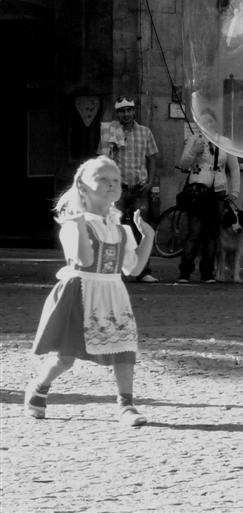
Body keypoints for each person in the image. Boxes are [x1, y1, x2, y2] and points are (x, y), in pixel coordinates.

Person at [23, 156, 154, 426]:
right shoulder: (73, 224)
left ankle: (126, 405)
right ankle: (39, 387)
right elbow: (83, 259)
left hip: (113, 292)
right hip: (81, 290)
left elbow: (134, 268)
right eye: (102, 179)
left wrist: (148, 238)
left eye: (115, 180)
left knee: (123, 349)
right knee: (65, 357)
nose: (111, 184)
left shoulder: (121, 229)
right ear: (83, 187)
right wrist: (81, 226)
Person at [97, 96, 160, 283]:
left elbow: (153, 157)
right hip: (118, 187)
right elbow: (102, 159)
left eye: (129, 110)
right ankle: (113, 268)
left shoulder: (145, 131)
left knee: (141, 228)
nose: (126, 114)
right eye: (122, 111)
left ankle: (143, 270)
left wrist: (150, 181)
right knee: (113, 227)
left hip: (139, 186)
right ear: (117, 113)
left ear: (134, 111)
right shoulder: (111, 130)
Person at [176, 129, 240, 283]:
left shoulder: (225, 142)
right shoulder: (195, 138)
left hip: (217, 192)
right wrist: (193, 151)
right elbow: (183, 164)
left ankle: (207, 272)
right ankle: (185, 271)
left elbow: (234, 167)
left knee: (211, 234)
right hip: (197, 190)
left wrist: (235, 191)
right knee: (194, 232)